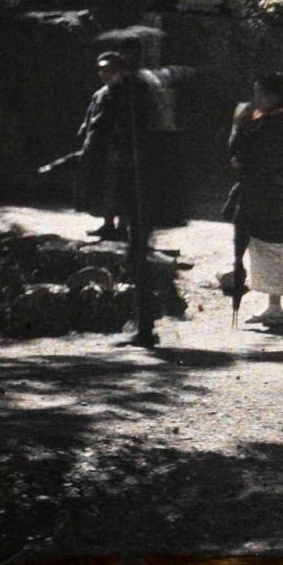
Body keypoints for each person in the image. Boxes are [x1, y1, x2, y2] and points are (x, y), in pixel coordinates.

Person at [73, 51, 168, 348]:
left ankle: (145, 328)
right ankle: (144, 325)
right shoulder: (143, 94)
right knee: (137, 252)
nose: (105, 75)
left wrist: (87, 156)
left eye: (109, 70)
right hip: (147, 180)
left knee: (138, 255)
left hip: (135, 177)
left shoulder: (118, 96)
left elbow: (98, 132)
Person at [221, 74, 283, 327]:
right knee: (267, 248)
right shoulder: (273, 121)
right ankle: (276, 304)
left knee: (274, 248)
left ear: (274, 96)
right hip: (266, 192)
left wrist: (239, 128)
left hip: (268, 193)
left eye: (261, 93)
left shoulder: (276, 124)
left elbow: (248, 151)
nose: (257, 99)